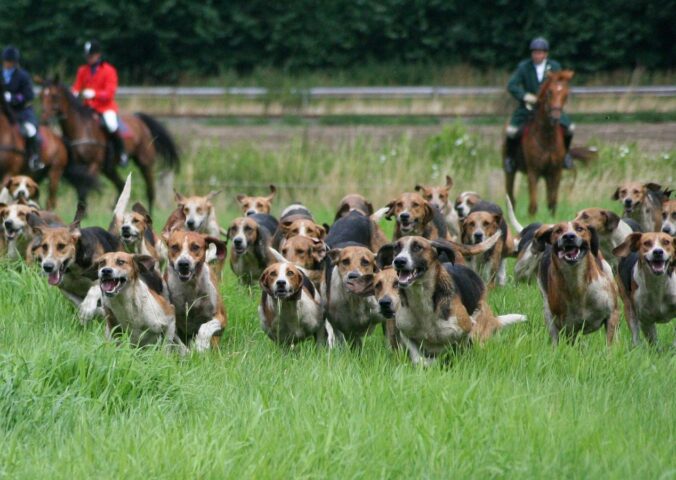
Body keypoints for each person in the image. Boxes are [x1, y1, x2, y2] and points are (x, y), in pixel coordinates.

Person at [504, 37, 574, 173]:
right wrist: (525, 96)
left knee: (570, 128)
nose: (538, 55)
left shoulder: (554, 67)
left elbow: (561, 85)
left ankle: (566, 155)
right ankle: (510, 158)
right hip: (528, 108)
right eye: (535, 52)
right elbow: (511, 85)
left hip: (551, 108)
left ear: (546, 54)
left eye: (541, 52)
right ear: (532, 54)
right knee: (511, 131)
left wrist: (557, 101)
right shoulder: (524, 67)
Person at [72, 40, 128, 167]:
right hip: (87, 107)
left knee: (112, 125)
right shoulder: (82, 70)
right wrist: (73, 93)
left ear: (98, 55)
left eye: (91, 56)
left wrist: (94, 94)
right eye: (87, 56)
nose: (88, 58)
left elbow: (110, 93)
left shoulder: (109, 70)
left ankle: (122, 153)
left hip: (105, 107)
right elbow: (77, 86)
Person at [1, 45, 42, 171]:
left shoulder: (23, 76)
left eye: (9, 62)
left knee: (31, 131)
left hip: (21, 112)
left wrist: (12, 98)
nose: (7, 64)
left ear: (14, 63)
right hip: (4, 111)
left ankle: (34, 158)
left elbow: (29, 95)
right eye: (5, 62)